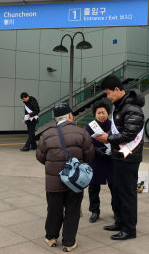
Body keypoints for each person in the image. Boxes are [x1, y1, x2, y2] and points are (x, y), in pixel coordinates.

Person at [36, 103, 94, 252]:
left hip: (54, 180)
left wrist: (54, 166)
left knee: (54, 209)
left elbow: (40, 157)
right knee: (73, 210)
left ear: (55, 118)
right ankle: (69, 242)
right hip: (74, 181)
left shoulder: (46, 134)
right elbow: (89, 155)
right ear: (70, 116)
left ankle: (51, 237)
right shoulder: (81, 133)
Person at [94, 74, 145, 241]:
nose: (108, 97)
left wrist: (107, 138)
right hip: (119, 156)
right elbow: (119, 131)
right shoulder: (120, 106)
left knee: (127, 193)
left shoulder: (132, 108)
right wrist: (107, 134)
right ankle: (119, 222)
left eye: (109, 93)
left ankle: (129, 229)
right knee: (117, 191)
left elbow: (129, 134)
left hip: (128, 158)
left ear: (117, 89)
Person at [84, 99, 114, 223]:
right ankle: (94, 211)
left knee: (115, 188)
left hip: (111, 161)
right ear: (95, 114)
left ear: (108, 113)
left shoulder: (113, 125)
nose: (101, 115)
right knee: (93, 188)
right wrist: (96, 150)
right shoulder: (90, 126)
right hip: (95, 160)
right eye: (99, 113)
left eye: (104, 112)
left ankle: (116, 210)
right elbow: (85, 144)